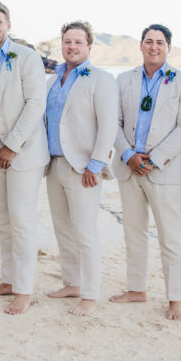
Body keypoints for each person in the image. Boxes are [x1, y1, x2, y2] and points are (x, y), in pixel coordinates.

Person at [110, 24, 181, 321]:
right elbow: (114, 122)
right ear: (140, 46)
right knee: (133, 232)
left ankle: (174, 299)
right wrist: (128, 155)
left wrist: (154, 158)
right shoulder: (123, 80)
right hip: (129, 167)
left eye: (160, 42)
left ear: (169, 47)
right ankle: (137, 288)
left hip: (165, 170)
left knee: (170, 237)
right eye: (148, 41)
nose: (154, 47)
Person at [0, 1, 49, 315]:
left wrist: (12, 145)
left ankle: (23, 289)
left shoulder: (27, 57)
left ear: (8, 24)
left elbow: (35, 104)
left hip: (24, 151)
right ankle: (7, 280)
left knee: (21, 221)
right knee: (2, 220)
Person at [43, 21, 118, 316]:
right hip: (53, 163)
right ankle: (71, 283)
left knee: (85, 232)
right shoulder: (52, 80)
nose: (71, 47)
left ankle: (89, 294)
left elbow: (108, 124)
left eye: (78, 42)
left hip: (83, 166)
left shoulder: (101, 79)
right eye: (67, 42)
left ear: (89, 46)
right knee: (63, 228)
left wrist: (96, 163)